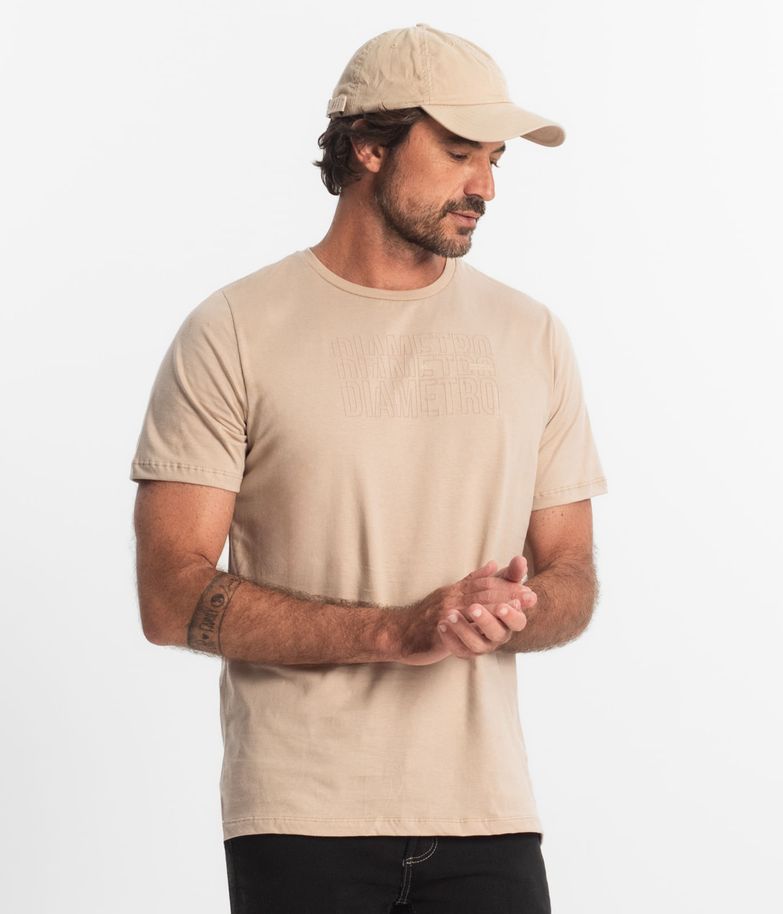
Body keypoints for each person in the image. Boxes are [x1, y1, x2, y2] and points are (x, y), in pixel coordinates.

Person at [129, 22, 608, 914]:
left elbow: (572, 571)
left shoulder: (531, 336)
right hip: (301, 820)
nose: (486, 186)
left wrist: (510, 609)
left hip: (489, 814)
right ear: (368, 147)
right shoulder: (233, 332)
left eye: (496, 159)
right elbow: (169, 595)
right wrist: (397, 631)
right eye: (460, 152)